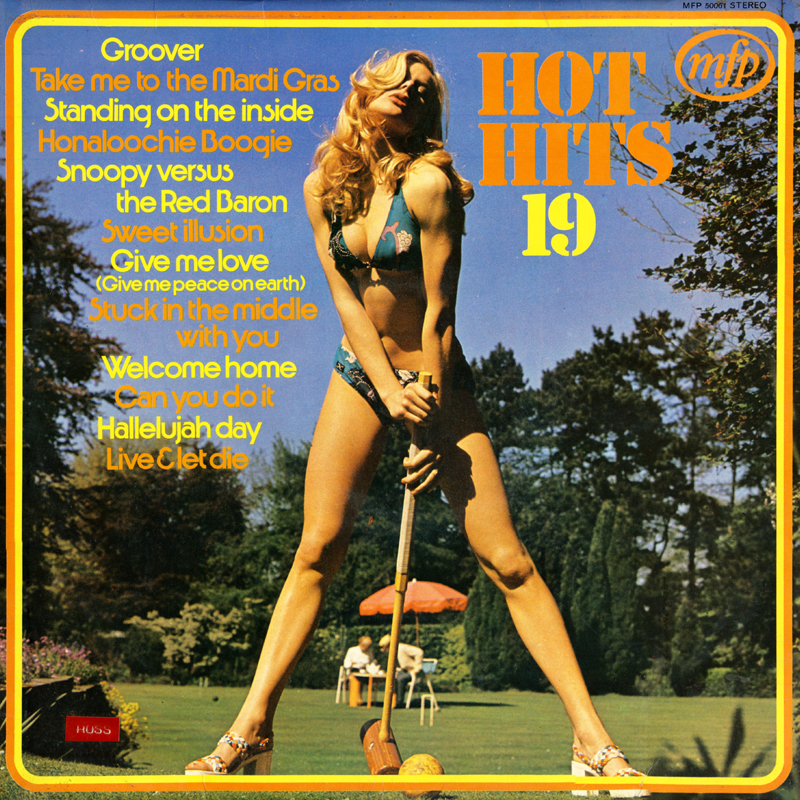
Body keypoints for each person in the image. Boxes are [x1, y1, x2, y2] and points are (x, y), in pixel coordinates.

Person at [184, 49, 647, 790]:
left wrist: (425, 422)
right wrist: (385, 390)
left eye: (424, 89)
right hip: (360, 374)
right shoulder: (323, 187)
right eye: (399, 77)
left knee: (507, 560)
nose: (410, 90)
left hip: (438, 377)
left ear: (430, 112)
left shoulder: (429, 187)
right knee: (316, 549)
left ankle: (593, 746)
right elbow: (345, 301)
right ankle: (250, 732)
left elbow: (439, 314)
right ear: (365, 90)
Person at [379, 634, 422, 707]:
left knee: (400, 679)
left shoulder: (402, 648)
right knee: (393, 678)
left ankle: (399, 702)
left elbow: (419, 652)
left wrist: (417, 667)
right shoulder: (396, 651)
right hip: (405, 671)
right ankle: (393, 701)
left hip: (413, 672)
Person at [343, 635, 377, 706]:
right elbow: (346, 663)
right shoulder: (352, 650)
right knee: (355, 678)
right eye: (364, 646)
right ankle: (355, 698)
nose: (365, 648)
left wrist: (373, 664)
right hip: (353, 670)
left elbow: (371, 662)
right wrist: (353, 663)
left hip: (365, 671)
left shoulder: (369, 652)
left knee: (365, 678)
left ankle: (360, 697)